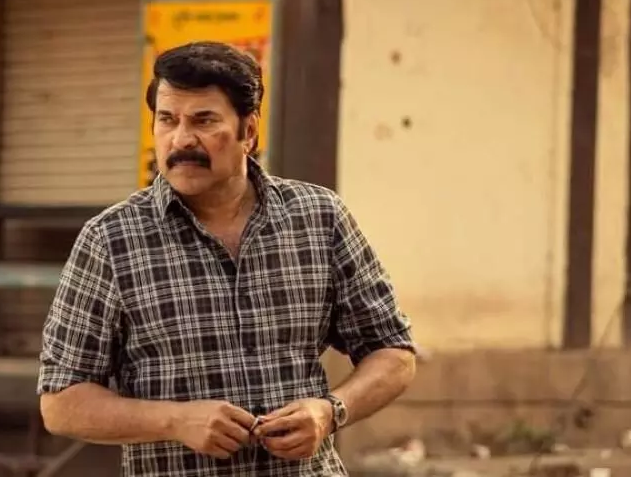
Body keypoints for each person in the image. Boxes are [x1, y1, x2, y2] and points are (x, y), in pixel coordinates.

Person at [37, 41, 416, 476]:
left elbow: (393, 351)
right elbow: (61, 403)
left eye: (204, 120)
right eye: (167, 120)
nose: (182, 139)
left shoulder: (319, 217)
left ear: (248, 131)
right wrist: (174, 420)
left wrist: (330, 411)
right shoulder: (111, 239)